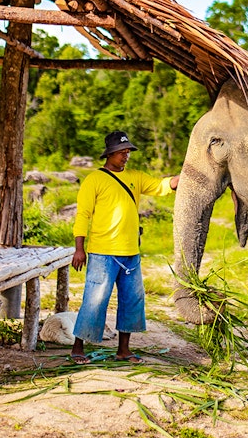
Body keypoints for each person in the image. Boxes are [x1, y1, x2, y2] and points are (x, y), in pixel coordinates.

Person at [70, 131, 179, 364]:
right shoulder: (94, 180)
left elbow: (160, 186)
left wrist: (180, 179)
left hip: (131, 252)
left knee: (132, 300)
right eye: (121, 152)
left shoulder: (136, 177)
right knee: (95, 299)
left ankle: (124, 350)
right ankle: (78, 348)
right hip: (103, 252)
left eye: (128, 151)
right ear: (109, 153)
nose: (126, 155)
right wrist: (79, 248)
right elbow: (83, 215)